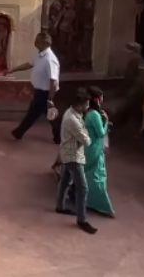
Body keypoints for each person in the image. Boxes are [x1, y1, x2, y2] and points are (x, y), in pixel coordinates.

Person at [55, 89, 98, 234]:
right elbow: (87, 141)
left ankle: (60, 206)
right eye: (87, 104)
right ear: (80, 105)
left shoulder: (71, 112)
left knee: (65, 181)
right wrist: (87, 134)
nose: (88, 106)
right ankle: (82, 220)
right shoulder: (73, 120)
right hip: (74, 156)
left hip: (67, 153)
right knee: (83, 188)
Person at [10, 32, 62, 143]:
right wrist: (13, 70)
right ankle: (58, 136)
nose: (35, 42)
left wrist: (50, 99)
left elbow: (53, 80)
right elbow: (29, 64)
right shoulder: (40, 55)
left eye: (37, 41)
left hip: (46, 93)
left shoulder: (50, 59)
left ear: (44, 43)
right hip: (40, 91)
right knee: (45, 115)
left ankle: (19, 132)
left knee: (37, 114)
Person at [84, 85, 115, 216]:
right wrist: (107, 121)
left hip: (88, 147)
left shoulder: (87, 112)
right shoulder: (95, 114)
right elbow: (101, 133)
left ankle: (88, 201)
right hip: (95, 148)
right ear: (97, 99)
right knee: (98, 176)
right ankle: (102, 205)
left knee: (89, 175)